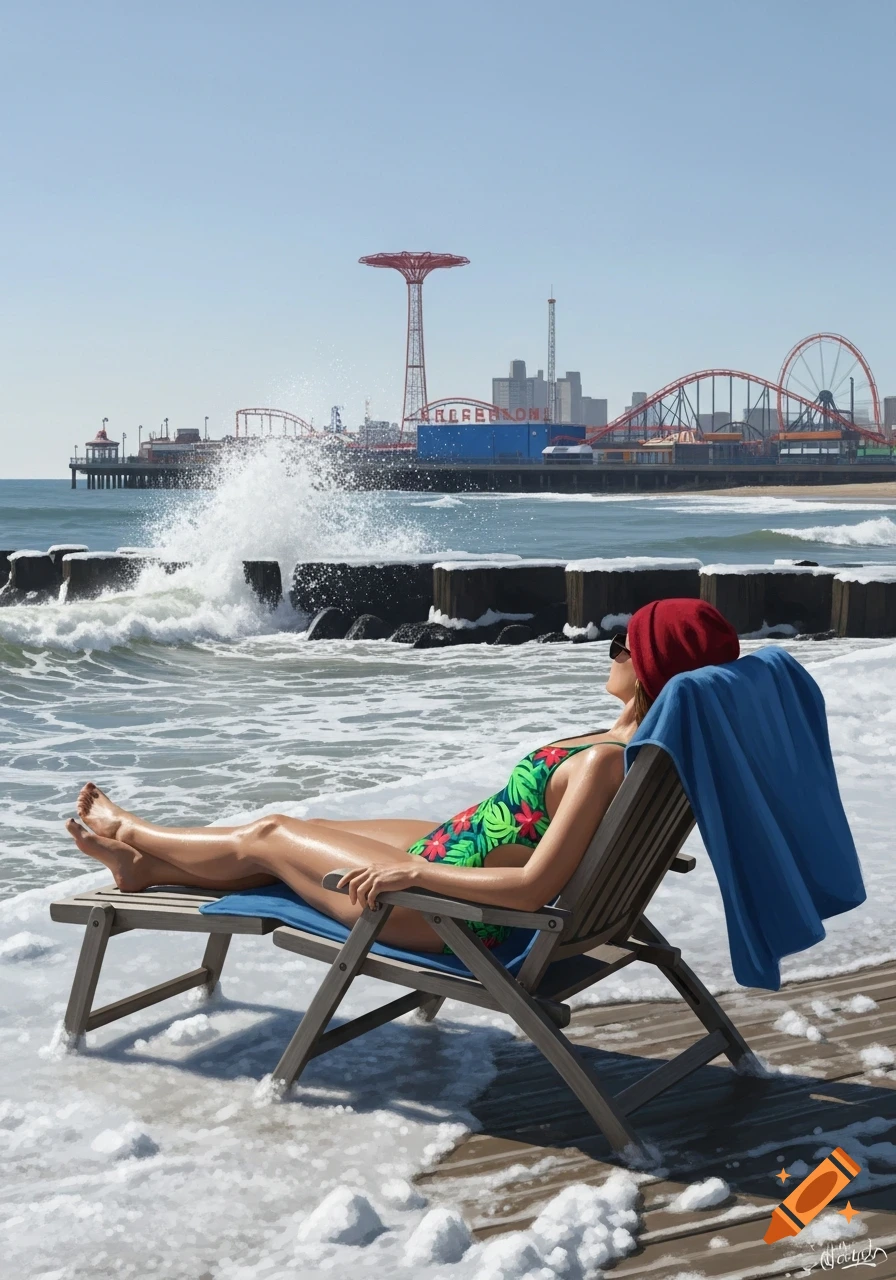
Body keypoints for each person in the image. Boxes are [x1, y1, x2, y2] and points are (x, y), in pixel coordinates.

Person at [65, 598, 739, 953]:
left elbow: (534, 890)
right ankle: (145, 869)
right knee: (307, 833)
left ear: (650, 667)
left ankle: (135, 831)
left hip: (451, 914)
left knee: (272, 835)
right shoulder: (645, 752)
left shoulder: (603, 765)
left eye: (626, 643)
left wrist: (413, 875)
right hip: (457, 856)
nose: (612, 648)